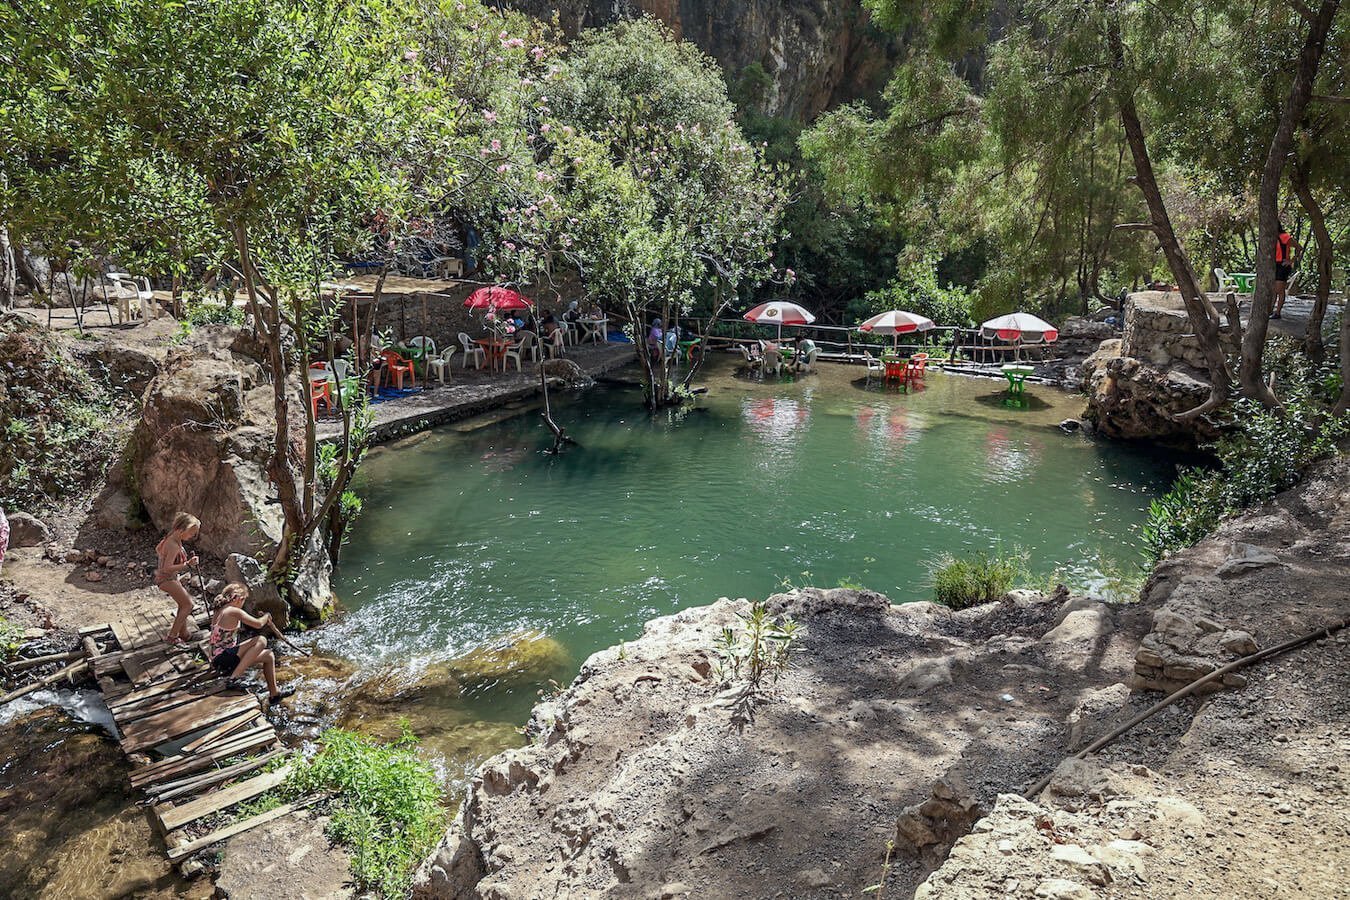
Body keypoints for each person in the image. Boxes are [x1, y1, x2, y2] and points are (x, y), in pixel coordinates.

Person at [207, 582, 292, 704]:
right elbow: (258, 624)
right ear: (237, 599)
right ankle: (234, 679)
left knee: (269, 656)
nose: (243, 605)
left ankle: (274, 694)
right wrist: (267, 616)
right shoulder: (233, 611)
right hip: (223, 658)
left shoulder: (220, 609)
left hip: (219, 659)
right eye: (243, 601)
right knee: (261, 640)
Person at [155, 512, 200, 644]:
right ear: (181, 530)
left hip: (168, 578)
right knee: (188, 604)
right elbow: (166, 568)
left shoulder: (172, 538)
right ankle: (172, 637)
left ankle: (184, 634)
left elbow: (158, 548)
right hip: (166, 579)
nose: (192, 536)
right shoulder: (174, 545)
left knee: (183, 604)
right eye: (191, 533)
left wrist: (164, 555)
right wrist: (187, 564)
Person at [1272, 221, 1299, 320]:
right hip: (1274, 265)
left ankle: (1278, 313)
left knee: (1280, 290)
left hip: (1283, 265)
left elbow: (1299, 248)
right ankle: (1272, 311)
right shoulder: (1271, 238)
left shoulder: (1285, 237)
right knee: (1274, 290)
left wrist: (1291, 260)